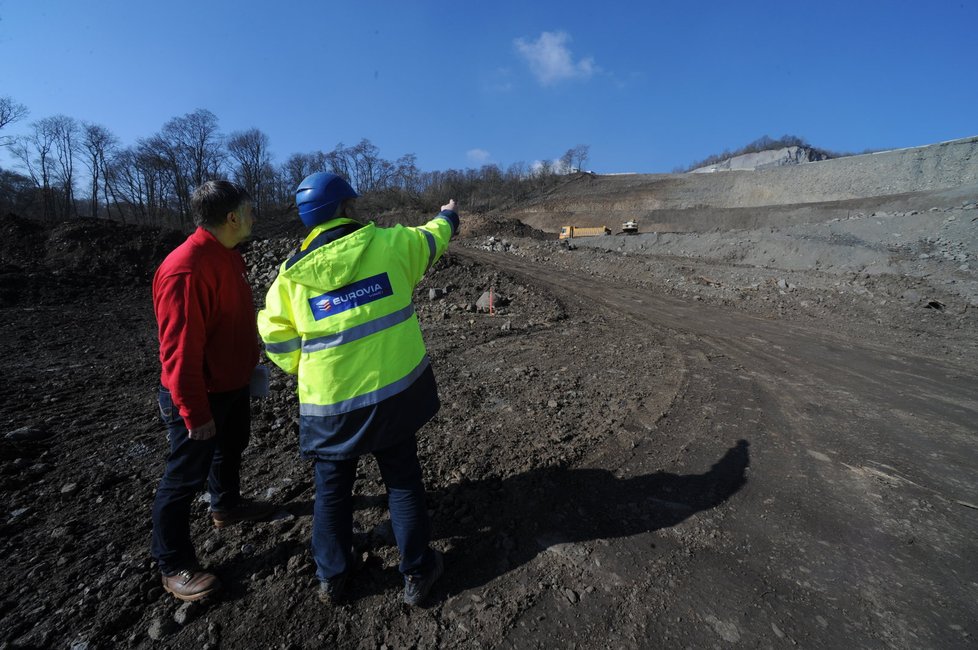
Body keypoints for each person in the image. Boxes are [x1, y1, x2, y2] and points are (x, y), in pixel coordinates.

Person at [258, 172, 458, 606]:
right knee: (403, 481)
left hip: (332, 407)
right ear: (347, 207)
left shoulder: (289, 280)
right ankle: (418, 573)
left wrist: (308, 367)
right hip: (395, 395)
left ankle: (332, 577)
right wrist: (449, 218)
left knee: (331, 492)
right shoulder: (390, 245)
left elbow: (276, 337)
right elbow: (432, 239)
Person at [151, 180, 275, 602]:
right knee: (183, 478)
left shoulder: (227, 255)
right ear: (232, 218)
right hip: (201, 392)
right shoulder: (187, 268)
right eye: (250, 210)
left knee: (231, 447)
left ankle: (226, 506)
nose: (254, 216)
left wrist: (247, 365)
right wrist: (194, 412)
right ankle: (174, 564)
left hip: (231, 384)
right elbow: (179, 353)